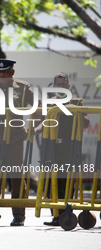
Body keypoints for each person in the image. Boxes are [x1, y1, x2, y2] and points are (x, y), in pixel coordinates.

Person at [0, 59, 42, 227]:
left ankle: (18, 215)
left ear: (12, 72)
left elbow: (40, 108)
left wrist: (32, 130)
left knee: (17, 178)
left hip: (15, 139)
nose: (1, 75)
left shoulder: (23, 88)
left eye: (4, 72)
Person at [42, 73, 90, 226]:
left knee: (68, 182)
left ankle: (67, 214)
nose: (61, 87)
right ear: (54, 87)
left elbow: (86, 123)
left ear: (68, 87)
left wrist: (76, 111)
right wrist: (33, 131)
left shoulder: (77, 102)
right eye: (58, 85)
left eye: (64, 85)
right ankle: (56, 216)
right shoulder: (50, 103)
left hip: (70, 148)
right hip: (53, 148)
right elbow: (43, 122)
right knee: (51, 183)